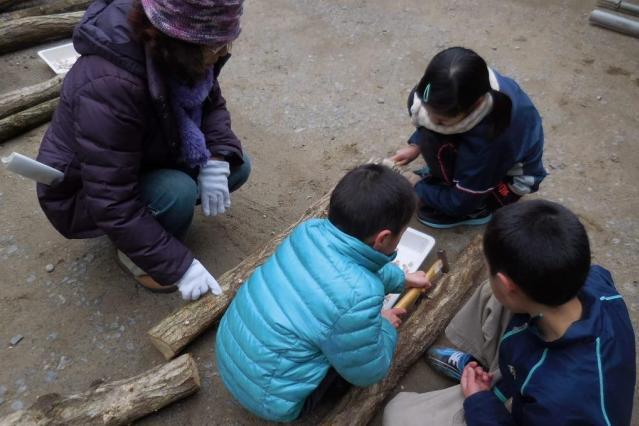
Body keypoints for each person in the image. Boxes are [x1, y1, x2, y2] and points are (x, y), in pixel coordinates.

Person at [35, 0, 250, 300]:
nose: (224, 52)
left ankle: (153, 223)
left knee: (236, 165)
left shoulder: (180, 51)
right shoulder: (110, 85)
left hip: (146, 148)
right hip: (87, 188)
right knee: (176, 192)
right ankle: (135, 256)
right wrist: (178, 266)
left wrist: (216, 157)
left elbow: (211, 103)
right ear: (182, 40)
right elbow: (110, 197)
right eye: (216, 46)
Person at [383, 200, 636, 426]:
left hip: (540, 403)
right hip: (542, 366)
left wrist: (480, 402)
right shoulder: (595, 280)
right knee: (492, 296)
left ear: (508, 285)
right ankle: (486, 370)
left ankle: (485, 387)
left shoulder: (559, 404)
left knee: (397, 414)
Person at [215, 164, 431, 422]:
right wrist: (384, 327)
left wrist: (402, 279)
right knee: (349, 360)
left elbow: (356, 267)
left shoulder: (310, 232)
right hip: (271, 399)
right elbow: (368, 371)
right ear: (383, 239)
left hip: (233, 358)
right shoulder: (358, 296)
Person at [391, 47, 546, 228]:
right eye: (427, 112)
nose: (430, 121)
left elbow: (461, 201)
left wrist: (415, 183)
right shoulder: (463, 86)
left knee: (461, 196)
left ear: (476, 105)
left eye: (440, 122)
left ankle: (476, 210)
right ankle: (447, 174)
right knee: (434, 137)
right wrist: (416, 145)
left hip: (508, 181)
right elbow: (430, 119)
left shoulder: (492, 139)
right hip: (481, 147)